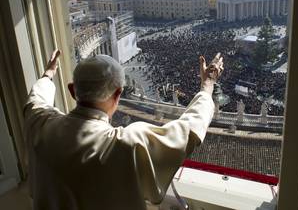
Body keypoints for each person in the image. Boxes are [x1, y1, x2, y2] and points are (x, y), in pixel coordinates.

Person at [24, 49, 224, 210]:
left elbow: (36, 99)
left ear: (72, 91)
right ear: (118, 94)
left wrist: (48, 74)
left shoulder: (41, 123)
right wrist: (207, 85)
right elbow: (187, 130)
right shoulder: (126, 144)